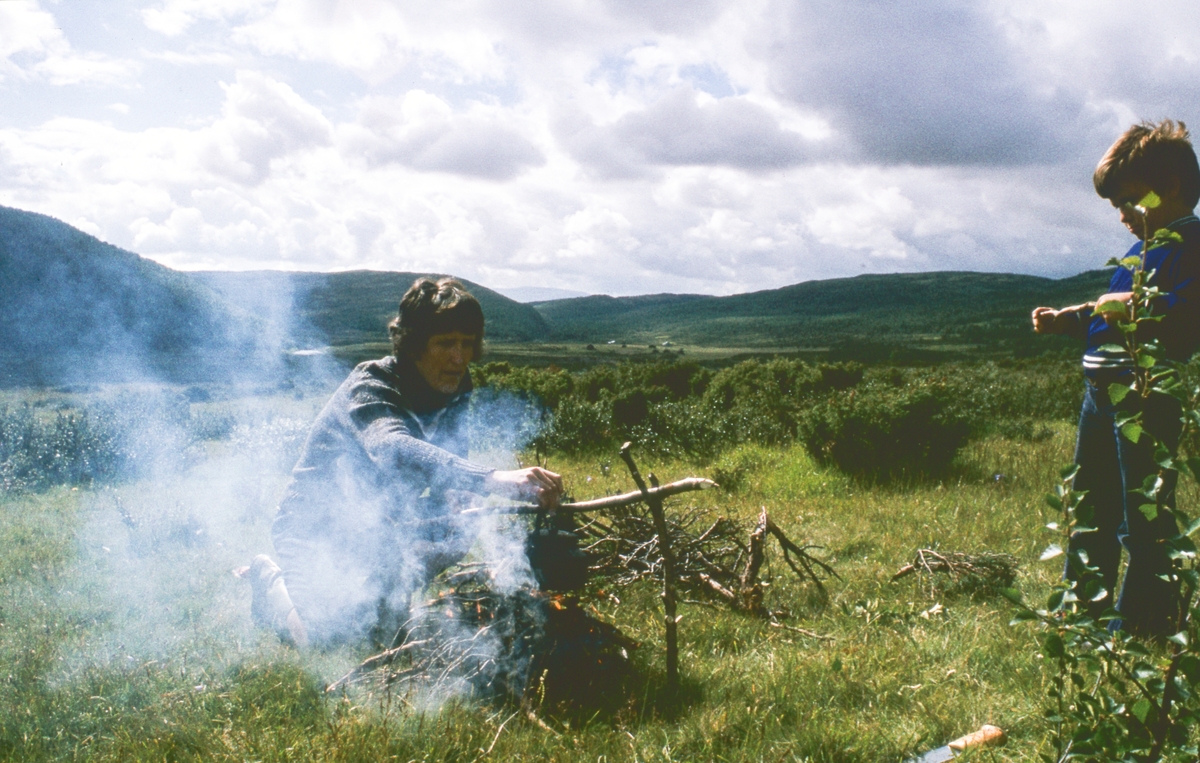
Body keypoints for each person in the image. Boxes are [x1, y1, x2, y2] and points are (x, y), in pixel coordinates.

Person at [244, 277, 563, 648]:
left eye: (466, 343)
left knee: (392, 623)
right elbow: (393, 446)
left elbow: (450, 460)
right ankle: (270, 583)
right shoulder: (371, 385)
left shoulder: (457, 385)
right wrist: (493, 479)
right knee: (326, 640)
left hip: (378, 525)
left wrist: (463, 497)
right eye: (445, 344)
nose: (459, 358)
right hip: (313, 528)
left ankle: (385, 599)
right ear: (413, 346)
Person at [1032, 119, 1200, 637]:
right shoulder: (1139, 251)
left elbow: (1188, 311)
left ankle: (1141, 624)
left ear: (1169, 188)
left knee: (1142, 516)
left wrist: (1142, 303)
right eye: (1117, 208)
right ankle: (1081, 613)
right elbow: (1108, 309)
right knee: (1088, 506)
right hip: (1099, 396)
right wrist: (1071, 319)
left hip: (1148, 398)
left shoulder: (1190, 246)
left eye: (1129, 201)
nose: (1124, 216)